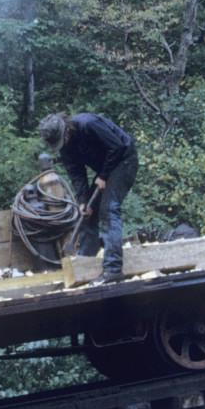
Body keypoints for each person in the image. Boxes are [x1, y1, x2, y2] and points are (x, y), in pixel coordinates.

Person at [39, 111, 137, 283]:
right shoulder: (65, 148)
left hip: (124, 160)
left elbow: (117, 147)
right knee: (87, 215)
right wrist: (83, 201)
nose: (65, 143)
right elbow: (77, 174)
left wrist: (104, 176)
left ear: (66, 130)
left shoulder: (88, 124)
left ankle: (113, 270)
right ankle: (85, 265)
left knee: (108, 210)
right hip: (105, 168)